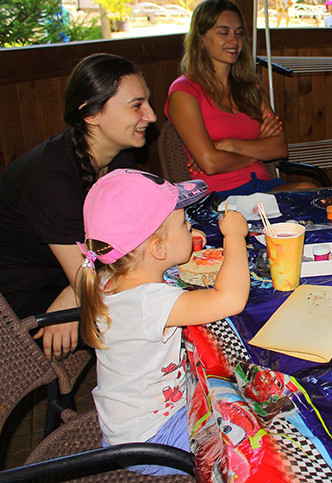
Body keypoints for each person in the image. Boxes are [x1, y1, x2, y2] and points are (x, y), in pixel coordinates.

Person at [77, 169, 249, 476]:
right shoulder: (149, 303)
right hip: (152, 441)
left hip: (128, 427)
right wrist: (234, 236)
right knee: (253, 437)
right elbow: (231, 299)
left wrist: (179, 244)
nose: (191, 225)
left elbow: (162, 266)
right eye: (185, 223)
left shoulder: (113, 278)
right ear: (157, 248)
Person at [0, 53, 156, 360]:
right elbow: (91, 285)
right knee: (148, 314)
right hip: (10, 309)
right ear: (91, 114)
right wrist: (77, 291)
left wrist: (72, 292)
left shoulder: (119, 155)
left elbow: (133, 236)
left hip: (66, 280)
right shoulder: (50, 179)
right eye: (137, 106)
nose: (152, 116)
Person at [166, 0, 314, 196]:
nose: (234, 41)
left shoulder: (251, 88)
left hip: (262, 188)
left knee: (309, 191)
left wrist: (226, 145)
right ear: (201, 39)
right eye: (223, 32)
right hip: (219, 197)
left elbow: (279, 148)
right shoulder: (184, 92)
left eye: (239, 33)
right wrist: (256, 150)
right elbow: (210, 163)